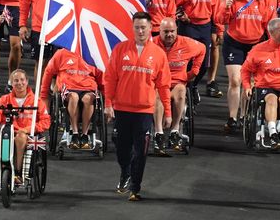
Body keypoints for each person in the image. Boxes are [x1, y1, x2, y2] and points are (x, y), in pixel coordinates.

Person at [104, 12, 172, 201]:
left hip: (144, 112)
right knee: (122, 149)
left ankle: (135, 188)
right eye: (137, 27)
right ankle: (125, 171)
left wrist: (168, 111)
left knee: (141, 152)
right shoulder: (120, 49)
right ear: (132, 28)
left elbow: (164, 85)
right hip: (122, 109)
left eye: (144, 27)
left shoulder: (158, 54)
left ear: (151, 28)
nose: (140, 31)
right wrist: (108, 103)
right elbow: (110, 79)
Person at [218, 0, 276, 132]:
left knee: (248, 83)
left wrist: (271, 44)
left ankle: (244, 115)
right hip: (234, 43)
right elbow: (221, 19)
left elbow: (269, 23)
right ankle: (232, 117)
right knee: (235, 80)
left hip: (255, 45)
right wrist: (226, 6)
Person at [0, 69, 51, 184]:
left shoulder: (37, 101)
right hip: (11, 132)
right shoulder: (5, 99)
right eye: (16, 80)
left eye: (22, 80)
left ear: (27, 82)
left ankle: (17, 171)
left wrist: (29, 129)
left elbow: (46, 122)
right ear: (11, 83)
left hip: (28, 134)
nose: (19, 83)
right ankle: (4, 168)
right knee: (3, 137)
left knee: (20, 137)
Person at [152, 18, 205, 152]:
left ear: (176, 30)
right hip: (158, 85)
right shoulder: (151, 44)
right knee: (158, 93)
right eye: (166, 32)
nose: (169, 34)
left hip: (177, 83)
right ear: (159, 31)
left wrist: (195, 70)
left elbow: (202, 48)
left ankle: (175, 130)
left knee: (181, 90)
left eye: (172, 31)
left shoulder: (187, 43)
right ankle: (158, 132)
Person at [241, 18, 280, 148]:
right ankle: (272, 134)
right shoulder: (258, 50)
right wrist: (247, 86)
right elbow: (245, 70)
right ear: (271, 32)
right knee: (271, 99)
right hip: (266, 85)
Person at [176, 0, 223, 99]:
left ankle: (193, 85)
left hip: (206, 27)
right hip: (188, 27)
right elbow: (173, 4)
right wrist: (181, 15)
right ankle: (186, 91)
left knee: (203, 65)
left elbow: (217, 6)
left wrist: (219, 29)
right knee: (188, 62)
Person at [41, 48, 102, 149]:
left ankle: (85, 135)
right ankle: (75, 133)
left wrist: (107, 101)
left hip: (88, 86)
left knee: (89, 98)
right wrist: (43, 95)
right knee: (74, 97)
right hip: (68, 87)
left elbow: (101, 76)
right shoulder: (61, 53)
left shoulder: (93, 53)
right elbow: (48, 72)